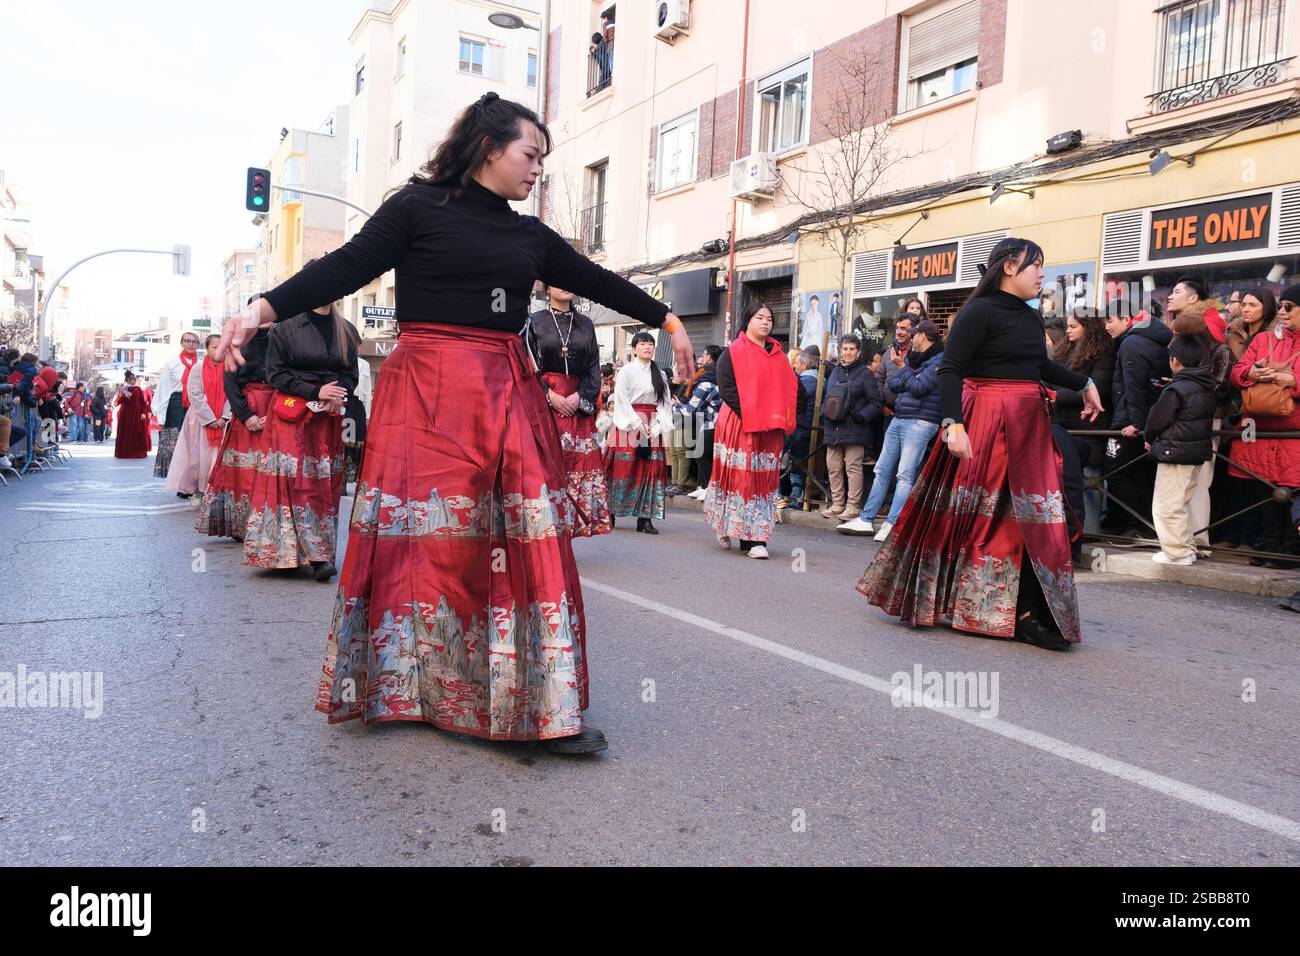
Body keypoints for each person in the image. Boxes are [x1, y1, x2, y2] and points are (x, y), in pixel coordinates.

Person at [217, 92, 692, 754]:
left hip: (504, 390)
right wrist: (259, 310)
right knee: (427, 542)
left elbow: (596, 279)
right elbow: (345, 265)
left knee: (522, 541)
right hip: (425, 393)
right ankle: (412, 687)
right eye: (530, 155)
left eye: (543, 161)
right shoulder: (416, 208)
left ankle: (528, 706)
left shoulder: (528, 236)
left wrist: (667, 318)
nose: (537, 171)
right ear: (488, 147)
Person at [857, 238, 1103, 651]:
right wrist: (953, 424)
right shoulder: (978, 312)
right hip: (987, 420)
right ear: (1009, 267)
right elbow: (950, 370)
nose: (1042, 273)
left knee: (1036, 516)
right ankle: (1004, 610)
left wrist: (1086, 382)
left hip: (1028, 425)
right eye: (1035, 265)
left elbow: (1038, 367)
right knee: (990, 516)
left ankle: (1031, 609)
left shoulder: (1028, 316)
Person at [242, 303, 358, 577]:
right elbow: (275, 374)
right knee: (293, 483)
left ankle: (321, 555)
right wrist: (317, 390)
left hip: (328, 416)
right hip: (291, 416)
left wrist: (337, 395)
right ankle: (285, 551)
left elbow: (350, 374)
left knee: (326, 487)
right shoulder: (285, 327)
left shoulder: (346, 330)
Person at [704, 301, 797, 558]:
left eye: (769, 319)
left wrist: (786, 418)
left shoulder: (779, 356)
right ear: (747, 321)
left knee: (763, 481)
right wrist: (752, 414)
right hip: (739, 423)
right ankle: (731, 527)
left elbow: (789, 388)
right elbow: (727, 388)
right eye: (760, 317)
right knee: (738, 479)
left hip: (769, 429)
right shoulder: (733, 352)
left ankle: (755, 538)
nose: (765, 322)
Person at [840, 320, 944, 540]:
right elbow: (893, 385)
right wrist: (906, 371)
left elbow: (919, 388)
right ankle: (866, 519)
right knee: (882, 470)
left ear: (923, 336)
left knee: (904, 474)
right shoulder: (913, 360)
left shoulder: (939, 360)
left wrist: (903, 368)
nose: (910, 337)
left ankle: (893, 523)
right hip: (900, 418)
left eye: (913, 334)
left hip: (921, 421)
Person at [524, 283, 611, 537]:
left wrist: (580, 397)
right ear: (547, 289)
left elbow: (593, 367)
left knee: (578, 471)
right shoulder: (533, 322)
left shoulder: (586, 325)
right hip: (544, 405)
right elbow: (526, 366)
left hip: (577, 405)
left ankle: (570, 532)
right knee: (545, 469)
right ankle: (544, 532)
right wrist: (549, 395)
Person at [1229, 283, 1300, 568]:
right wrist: (1253, 372)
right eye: (1281, 306)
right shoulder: (1264, 340)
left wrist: (1293, 382)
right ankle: (1269, 546)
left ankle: (1291, 550)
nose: (1282, 312)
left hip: (1293, 431)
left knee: (1291, 492)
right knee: (1266, 491)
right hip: (1260, 428)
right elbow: (1236, 373)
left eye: (1289, 307)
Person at [196, 313, 271, 541]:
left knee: (268, 471)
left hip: (274, 411)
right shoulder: (238, 343)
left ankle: (266, 524)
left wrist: (275, 412)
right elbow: (229, 383)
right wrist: (246, 415)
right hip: (245, 410)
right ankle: (240, 524)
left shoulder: (282, 341)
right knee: (243, 473)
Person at [1101, 303, 1171, 537]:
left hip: (1130, 421)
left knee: (1116, 470)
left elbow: (1133, 387)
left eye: (1110, 320)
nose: (1106, 326)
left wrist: (1136, 423)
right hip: (1144, 420)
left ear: (1126, 319)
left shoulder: (1131, 343)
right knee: (1139, 473)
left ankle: (1139, 525)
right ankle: (1145, 526)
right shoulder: (1151, 340)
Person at [1146, 337, 1216, 565]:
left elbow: (1157, 419)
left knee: (1167, 505)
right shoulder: (1206, 386)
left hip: (1174, 451)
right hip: (1195, 453)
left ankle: (1177, 553)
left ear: (1174, 360)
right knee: (1182, 502)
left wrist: (1149, 437)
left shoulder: (1176, 388)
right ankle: (1186, 547)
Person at [1051, 313, 1116, 534]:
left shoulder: (1102, 353)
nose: (1068, 331)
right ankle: (1071, 530)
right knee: (1069, 478)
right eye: (1067, 326)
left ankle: (1090, 531)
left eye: (1073, 326)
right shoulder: (1064, 351)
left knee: (1089, 478)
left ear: (1087, 327)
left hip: (1089, 424)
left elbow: (1098, 388)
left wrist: (1056, 397)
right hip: (1064, 422)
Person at [605, 331, 674, 533]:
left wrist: (657, 425)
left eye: (651, 343)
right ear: (634, 348)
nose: (648, 347)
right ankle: (611, 511)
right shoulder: (626, 371)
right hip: (629, 424)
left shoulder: (659, 374)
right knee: (622, 468)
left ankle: (645, 518)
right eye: (643, 343)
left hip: (652, 424)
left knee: (650, 470)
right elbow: (621, 400)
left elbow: (665, 403)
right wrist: (637, 423)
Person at [820, 336, 881, 520]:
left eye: (851, 349)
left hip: (855, 428)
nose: (847, 352)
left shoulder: (865, 374)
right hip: (833, 427)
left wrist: (862, 416)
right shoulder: (835, 372)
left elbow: (876, 403)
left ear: (858, 352)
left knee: (852, 468)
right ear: (840, 351)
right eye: (845, 349)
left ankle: (853, 506)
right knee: (833, 467)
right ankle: (838, 504)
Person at [165, 335, 230, 498]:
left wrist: (224, 417)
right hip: (200, 418)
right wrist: (210, 418)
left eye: (222, 346)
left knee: (218, 455)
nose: (219, 350)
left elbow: (232, 394)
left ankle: (213, 487)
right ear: (207, 349)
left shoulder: (230, 368)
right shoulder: (197, 368)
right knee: (196, 456)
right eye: (214, 347)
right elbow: (195, 394)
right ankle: (195, 487)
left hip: (223, 419)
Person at [152, 332, 201, 478]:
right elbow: (163, 389)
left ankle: (191, 481)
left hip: (196, 404)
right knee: (177, 443)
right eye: (187, 341)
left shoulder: (202, 363)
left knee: (194, 443)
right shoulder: (172, 363)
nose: (191, 344)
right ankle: (178, 479)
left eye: (194, 341)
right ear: (181, 343)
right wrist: (160, 417)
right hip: (176, 405)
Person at [683, 344, 723, 501]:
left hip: (712, 423)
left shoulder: (706, 384)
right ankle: (703, 486)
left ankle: (707, 487)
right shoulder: (712, 381)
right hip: (708, 422)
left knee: (703, 455)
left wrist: (675, 406)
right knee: (701, 454)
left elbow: (691, 408)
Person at [786, 346, 821, 508]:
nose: (795, 366)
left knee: (797, 465)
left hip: (802, 428)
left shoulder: (807, 381)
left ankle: (795, 498)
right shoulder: (814, 379)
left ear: (804, 365)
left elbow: (797, 404)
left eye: (797, 363)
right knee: (796, 464)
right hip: (804, 427)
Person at [112, 372, 151, 459]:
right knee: (125, 432)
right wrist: (120, 394)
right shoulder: (122, 388)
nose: (134, 381)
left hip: (136, 414)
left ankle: (137, 452)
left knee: (137, 432)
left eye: (135, 379)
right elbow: (117, 402)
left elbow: (142, 403)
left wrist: (143, 412)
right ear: (128, 380)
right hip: (125, 414)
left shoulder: (138, 389)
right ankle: (124, 452)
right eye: (132, 379)